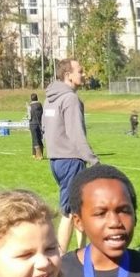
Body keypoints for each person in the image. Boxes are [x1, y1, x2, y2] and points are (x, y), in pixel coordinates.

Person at [43, 58, 99, 255]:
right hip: (70, 160)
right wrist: (93, 160)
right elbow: (76, 134)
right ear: (68, 75)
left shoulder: (49, 98)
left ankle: (82, 253)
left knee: (78, 207)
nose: (83, 75)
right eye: (80, 71)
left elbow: (45, 129)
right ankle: (61, 259)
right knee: (68, 211)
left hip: (55, 160)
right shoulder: (70, 99)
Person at [28, 92, 44, 160]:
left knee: (35, 140)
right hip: (40, 124)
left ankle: (38, 155)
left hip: (33, 124)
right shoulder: (40, 105)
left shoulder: (30, 106)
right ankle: (35, 154)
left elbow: (29, 117)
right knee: (39, 139)